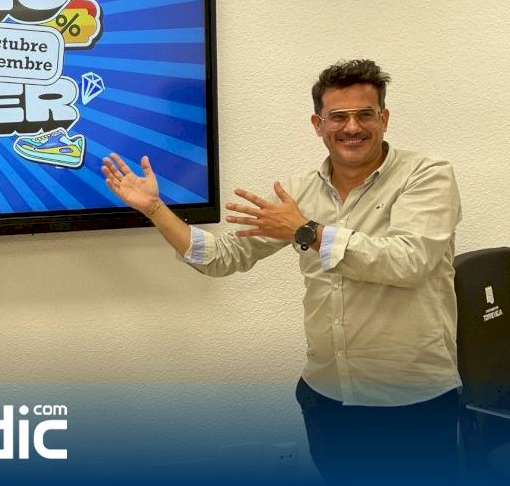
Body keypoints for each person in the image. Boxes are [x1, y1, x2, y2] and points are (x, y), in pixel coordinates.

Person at [101, 60, 461, 483]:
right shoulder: (299, 191)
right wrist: (155, 209)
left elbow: (409, 261)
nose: (352, 127)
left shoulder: (427, 175)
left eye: (364, 114)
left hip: (412, 400)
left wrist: (307, 231)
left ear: (384, 118)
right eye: (338, 117)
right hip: (328, 395)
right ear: (318, 124)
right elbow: (224, 257)